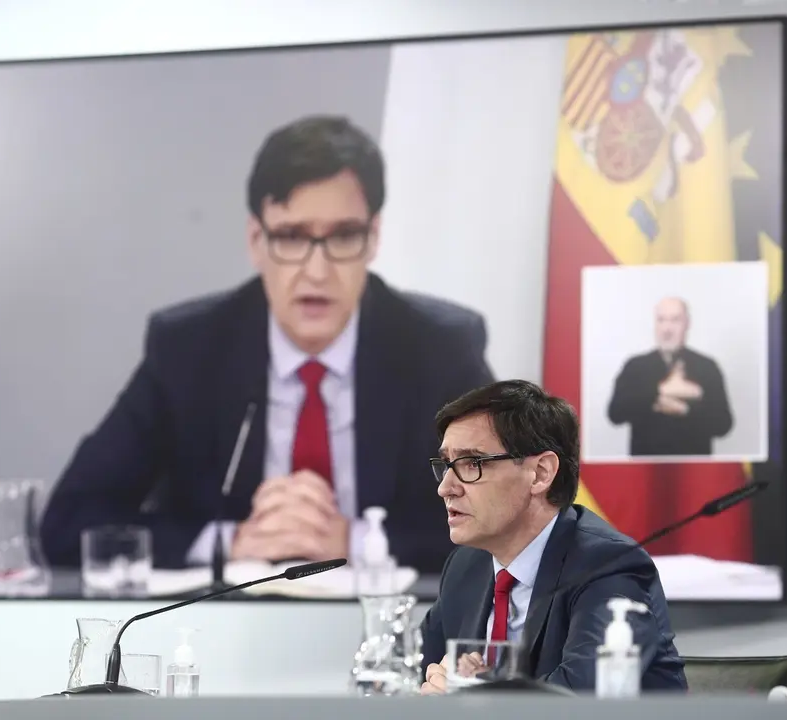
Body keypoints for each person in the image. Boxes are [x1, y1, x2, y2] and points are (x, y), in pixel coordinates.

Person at [38, 115, 495, 575]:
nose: (317, 270)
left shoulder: (439, 350)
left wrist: (353, 540)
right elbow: (68, 524)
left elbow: (509, 517)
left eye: (342, 236)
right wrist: (232, 541)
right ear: (257, 240)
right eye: (292, 237)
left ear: (372, 238)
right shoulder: (189, 351)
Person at [418, 380, 687, 693]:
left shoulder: (609, 565)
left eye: (472, 463)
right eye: (447, 464)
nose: (445, 487)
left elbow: (580, 698)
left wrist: (472, 694)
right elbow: (411, 671)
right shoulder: (467, 567)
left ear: (541, 473)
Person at [607, 296, 733, 457]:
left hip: (695, 470)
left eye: (675, 320)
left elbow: (723, 425)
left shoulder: (707, 366)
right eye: (661, 320)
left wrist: (685, 409)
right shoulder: (635, 366)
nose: (667, 329)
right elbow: (615, 414)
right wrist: (662, 390)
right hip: (644, 471)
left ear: (687, 324)